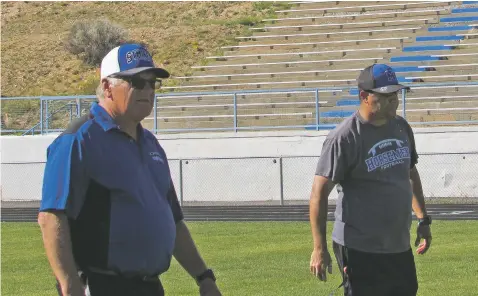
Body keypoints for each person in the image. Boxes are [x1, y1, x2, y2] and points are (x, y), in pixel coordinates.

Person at [38, 43, 222, 296]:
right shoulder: (79, 141)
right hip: (102, 286)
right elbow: (51, 217)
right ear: (107, 87)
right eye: (137, 81)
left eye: (152, 83)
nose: (148, 90)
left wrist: (203, 277)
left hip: (149, 286)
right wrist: (69, 284)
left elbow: (173, 220)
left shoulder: (151, 144)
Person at [308, 64, 432, 296]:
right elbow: (318, 194)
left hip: (398, 245)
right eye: (385, 96)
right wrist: (319, 248)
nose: (394, 101)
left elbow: (410, 173)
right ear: (364, 96)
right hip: (359, 247)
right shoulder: (344, 137)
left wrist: (423, 219)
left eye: (395, 95)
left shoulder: (402, 128)